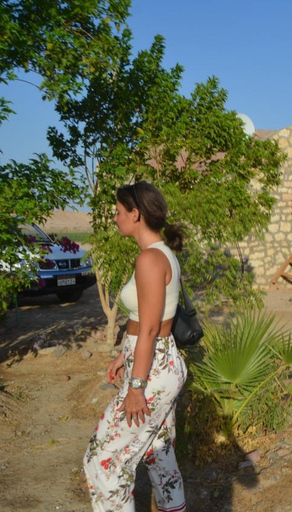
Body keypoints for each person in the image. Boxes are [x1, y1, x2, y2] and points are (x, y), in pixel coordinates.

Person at [84, 181, 188, 511]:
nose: (115, 219)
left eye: (118, 212)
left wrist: (136, 387)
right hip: (157, 359)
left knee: (103, 462)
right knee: (159, 454)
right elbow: (148, 319)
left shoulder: (150, 260)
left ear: (135, 214)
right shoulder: (160, 255)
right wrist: (122, 355)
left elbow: (151, 328)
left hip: (152, 369)